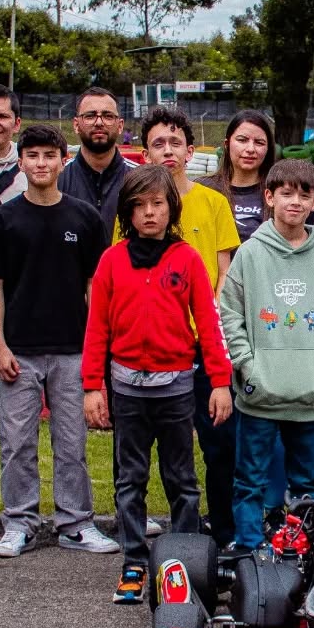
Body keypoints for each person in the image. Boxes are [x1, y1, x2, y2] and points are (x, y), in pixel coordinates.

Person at [84, 166, 232, 601]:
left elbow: (208, 323)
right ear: (127, 212)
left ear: (172, 208)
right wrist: (93, 386)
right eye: (140, 205)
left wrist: (220, 381)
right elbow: (96, 328)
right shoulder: (112, 259)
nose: (149, 213)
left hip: (176, 388)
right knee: (130, 480)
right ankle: (133, 561)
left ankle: (182, 565)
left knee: (182, 479)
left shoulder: (186, 258)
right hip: (127, 389)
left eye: (158, 204)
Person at [0, 123, 114, 558]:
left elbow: (96, 285)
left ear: (62, 161)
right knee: (17, 445)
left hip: (72, 348)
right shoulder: (2, 219)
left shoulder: (84, 218)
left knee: (71, 443)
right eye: (32, 156)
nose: (41, 163)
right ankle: (18, 523)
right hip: (19, 350)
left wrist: (96, 348)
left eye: (49, 156)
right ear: (21, 163)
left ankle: (75, 523)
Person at [219, 159, 314, 555]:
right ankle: (250, 549)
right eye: (286, 193)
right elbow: (231, 312)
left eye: (304, 194)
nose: (295, 202)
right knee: (250, 479)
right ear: (269, 197)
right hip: (260, 392)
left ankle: (305, 549)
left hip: (309, 393)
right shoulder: (250, 254)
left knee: (306, 481)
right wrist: (246, 363)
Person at [143, 105, 242, 547]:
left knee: (219, 442)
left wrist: (207, 318)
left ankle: (224, 532)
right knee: (169, 447)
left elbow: (225, 272)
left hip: (204, 343)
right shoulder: (138, 204)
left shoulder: (213, 202)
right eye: (158, 143)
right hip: (158, 346)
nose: (168, 150)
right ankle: (178, 530)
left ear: (190, 148)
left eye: (174, 142)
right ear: (145, 152)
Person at [58, 86, 136, 236]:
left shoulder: (139, 179)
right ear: (76, 125)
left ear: (120, 125)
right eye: (90, 116)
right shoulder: (57, 178)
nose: (99, 122)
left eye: (107, 116)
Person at [202, 109, 276, 241]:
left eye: (259, 142)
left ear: (268, 148)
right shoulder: (204, 189)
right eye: (242, 140)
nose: (250, 149)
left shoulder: (278, 192)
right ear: (226, 144)